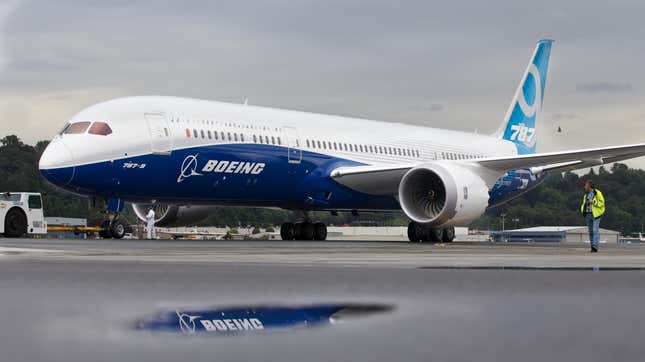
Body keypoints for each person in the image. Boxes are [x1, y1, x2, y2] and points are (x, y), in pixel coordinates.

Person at [580, 180, 605, 252]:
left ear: (589, 186)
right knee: (590, 231)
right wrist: (583, 211)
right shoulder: (586, 195)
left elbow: (602, 203)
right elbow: (584, 204)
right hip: (588, 214)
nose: (584, 187)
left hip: (596, 214)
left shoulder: (597, 193)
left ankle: (595, 246)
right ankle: (592, 247)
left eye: (586, 185)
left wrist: (593, 202)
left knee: (595, 230)